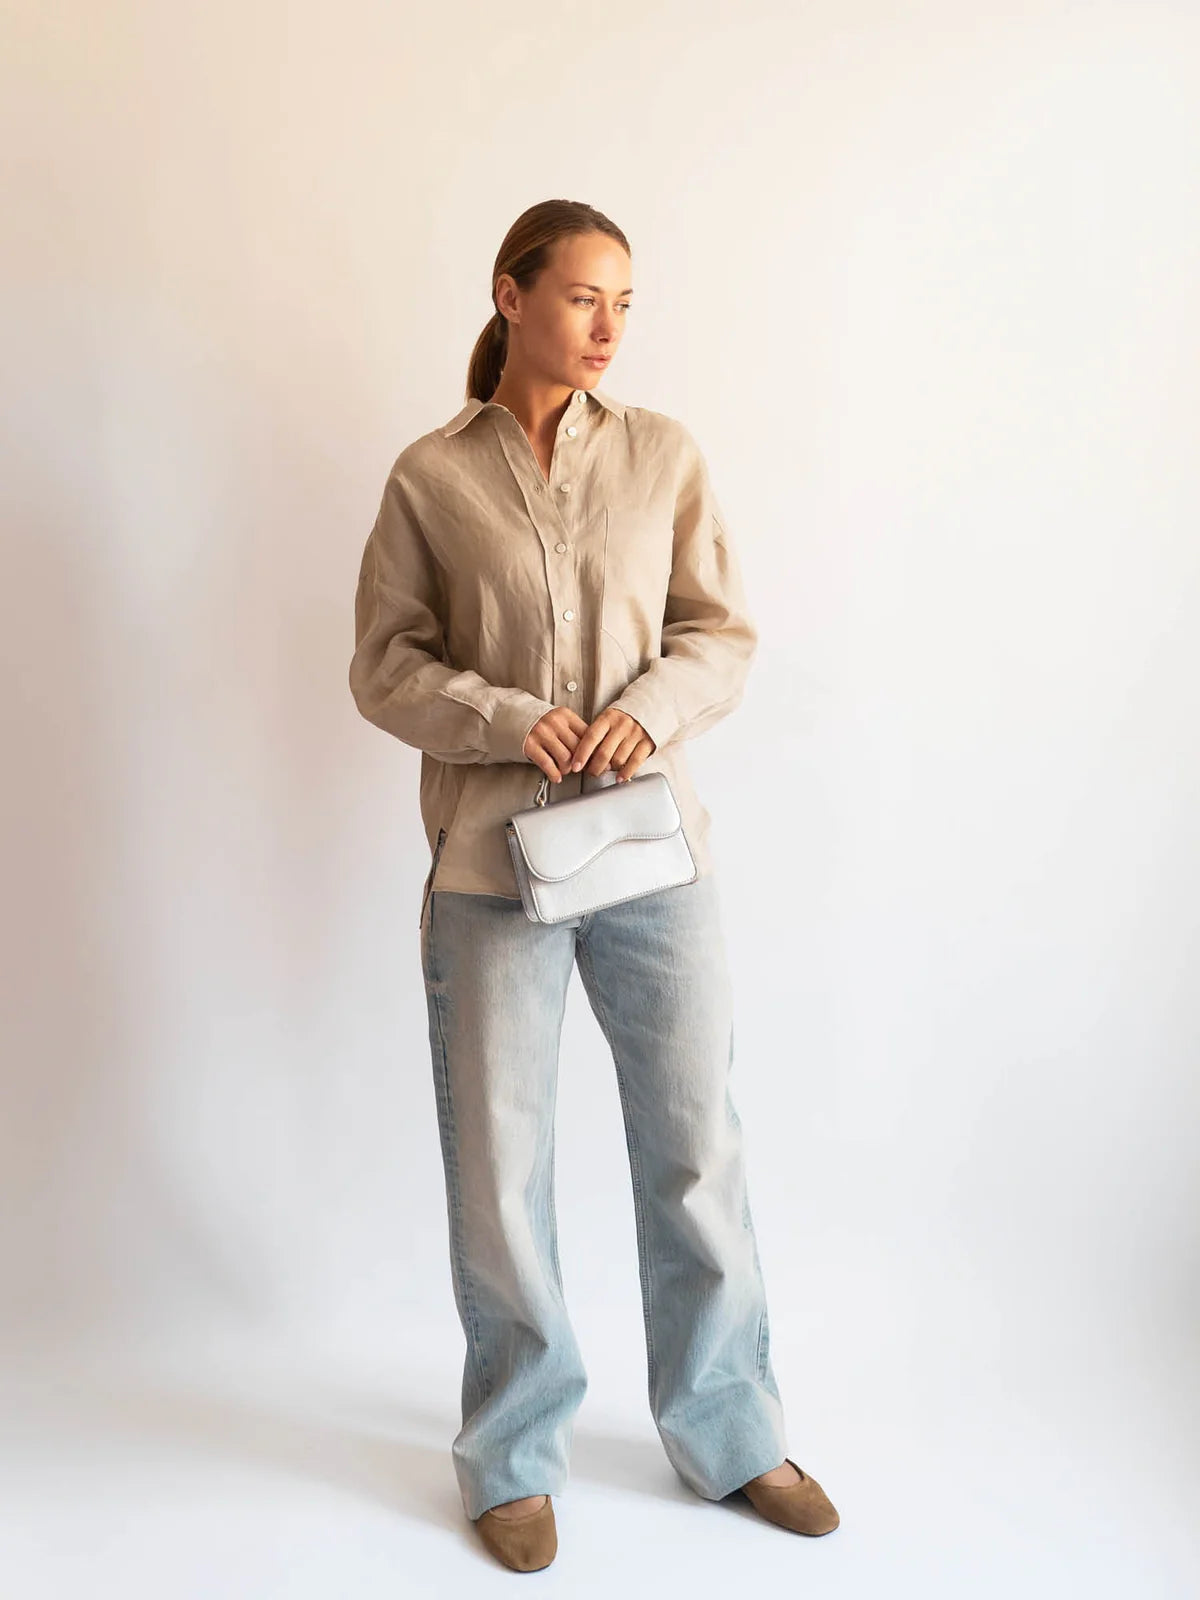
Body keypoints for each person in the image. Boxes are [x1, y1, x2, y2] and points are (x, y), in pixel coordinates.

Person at [349, 199, 840, 1571]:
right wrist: (510, 720)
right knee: (501, 1167)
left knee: (695, 1146)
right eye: (583, 296)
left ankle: (730, 1430)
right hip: (488, 864)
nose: (609, 325)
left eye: (625, 302)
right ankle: (512, 1455)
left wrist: (647, 711)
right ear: (510, 296)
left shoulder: (663, 455)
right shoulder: (430, 478)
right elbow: (383, 664)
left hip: (650, 855)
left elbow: (719, 634)